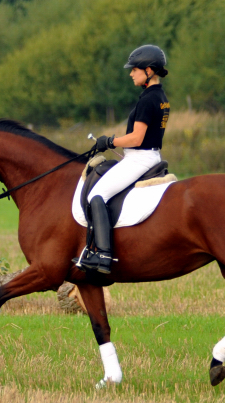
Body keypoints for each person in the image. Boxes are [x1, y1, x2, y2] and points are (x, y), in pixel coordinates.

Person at [78, 44, 170, 274]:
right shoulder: (160, 96)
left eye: (134, 69)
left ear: (149, 70)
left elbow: (137, 138)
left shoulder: (148, 99)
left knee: (96, 195)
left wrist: (109, 141)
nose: (131, 73)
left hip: (140, 157)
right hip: (150, 155)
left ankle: (103, 255)